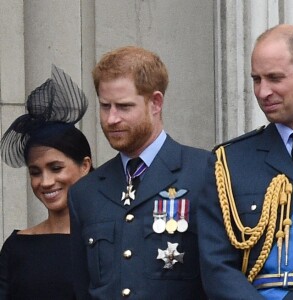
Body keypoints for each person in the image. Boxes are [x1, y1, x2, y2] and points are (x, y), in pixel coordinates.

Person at [68, 45, 209, 299]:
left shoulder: (205, 172)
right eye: (105, 106)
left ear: (155, 103)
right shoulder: (85, 192)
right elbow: (82, 288)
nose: (111, 119)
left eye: (123, 107)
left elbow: (221, 274)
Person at [198, 24, 293, 300]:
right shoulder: (229, 163)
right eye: (257, 79)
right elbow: (217, 266)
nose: (263, 92)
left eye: (275, 78)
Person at [0, 65, 93, 300]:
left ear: (85, 166)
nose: (46, 182)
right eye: (35, 172)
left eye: (56, 168)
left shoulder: (103, 243)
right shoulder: (16, 247)